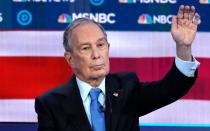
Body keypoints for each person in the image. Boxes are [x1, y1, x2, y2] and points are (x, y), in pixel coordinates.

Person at [35, 5, 200, 131]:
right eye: (86, 48)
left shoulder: (126, 88)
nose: (96, 55)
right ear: (70, 59)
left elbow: (172, 88)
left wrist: (183, 47)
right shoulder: (51, 103)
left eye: (100, 45)